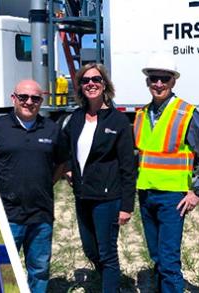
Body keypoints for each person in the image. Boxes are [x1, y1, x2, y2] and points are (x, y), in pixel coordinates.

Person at [132, 54, 199, 293]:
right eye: (154, 79)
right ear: (147, 82)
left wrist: (198, 191)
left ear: (173, 82)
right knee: (157, 256)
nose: (158, 84)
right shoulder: (141, 114)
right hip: (146, 194)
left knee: (169, 262)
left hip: (173, 198)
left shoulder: (185, 113)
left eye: (164, 79)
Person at [59, 63, 136, 292]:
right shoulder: (76, 118)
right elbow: (67, 148)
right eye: (85, 81)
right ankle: (109, 282)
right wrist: (68, 169)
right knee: (90, 250)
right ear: (80, 86)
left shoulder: (117, 121)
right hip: (82, 195)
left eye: (96, 80)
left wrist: (127, 206)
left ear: (104, 85)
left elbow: (128, 167)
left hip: (107, 198)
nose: (90, 84)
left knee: (107, 252)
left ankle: (111, 287)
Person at [0, 79, 63, 293]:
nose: (29, 102)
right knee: (0, 271)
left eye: (35, 98)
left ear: (41, 101)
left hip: (41, 214)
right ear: (13, 98)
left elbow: (62, 162)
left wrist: (46, 183)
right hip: (7, 214)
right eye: (23, 97)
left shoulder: (52, 129)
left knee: (39, 269)